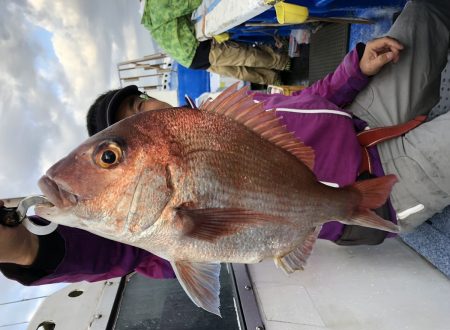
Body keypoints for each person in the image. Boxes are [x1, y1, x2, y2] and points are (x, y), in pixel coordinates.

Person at [1, 0, 448, 286]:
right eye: (111, 156)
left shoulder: (220, 108)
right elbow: (120, 253)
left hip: (363, 118)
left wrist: (356, 70)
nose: (147, 114)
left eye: (138, 104)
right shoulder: (162, 231)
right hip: (374, 186)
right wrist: (27, 251)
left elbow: (314, 101)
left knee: (425, 13)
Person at [139, 0, 290, 85]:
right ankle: (282, 62)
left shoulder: (148, 20)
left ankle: (274, 79)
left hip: (190, 62)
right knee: (244, 55)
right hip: (196, 48)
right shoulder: (156, 4)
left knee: (240, 72)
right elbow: (191, 3)